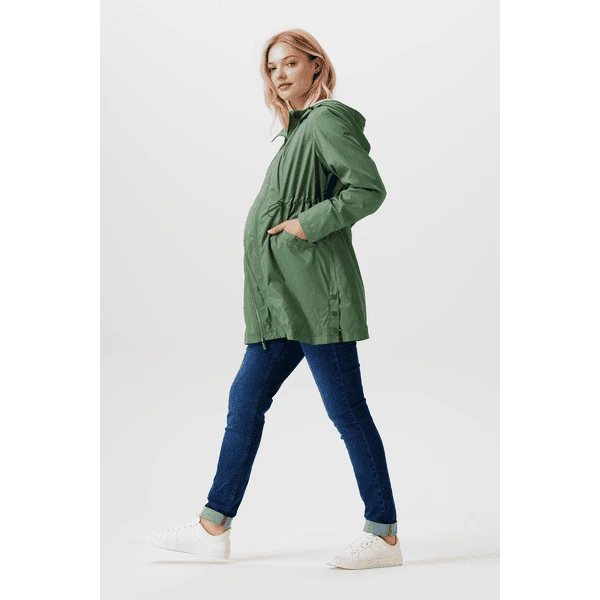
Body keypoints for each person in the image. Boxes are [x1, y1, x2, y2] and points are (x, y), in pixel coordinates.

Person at [148, 29, 403, 570]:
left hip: (318, 299)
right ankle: (213, 526)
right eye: (271, 67)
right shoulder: (297, 131)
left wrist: (308, 224)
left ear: (316, 66)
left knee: (347, 412)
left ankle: (383, 535)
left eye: (290, 63)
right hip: (283, 303)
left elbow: (367, 189)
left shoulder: (327, 121)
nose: (279, 75)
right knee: (245, 403)